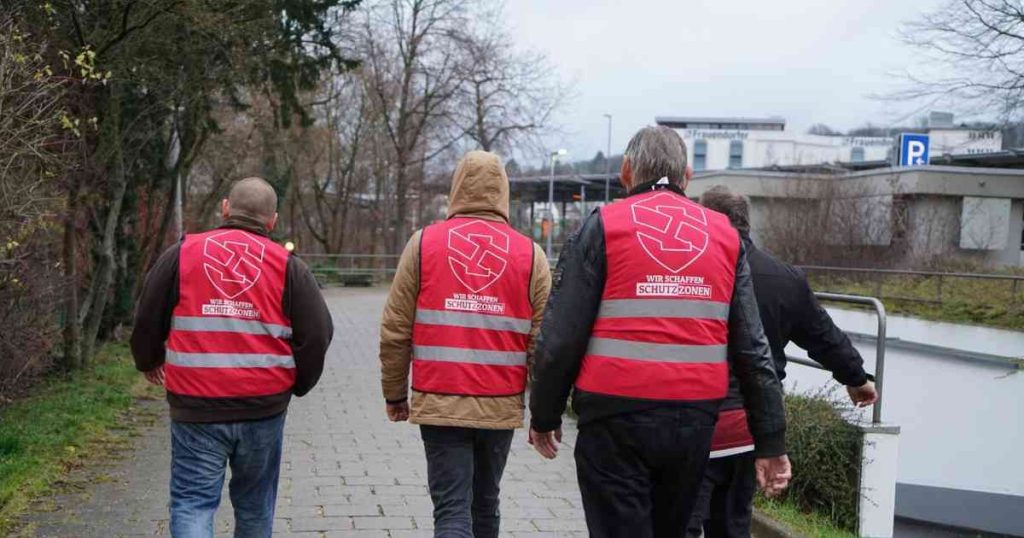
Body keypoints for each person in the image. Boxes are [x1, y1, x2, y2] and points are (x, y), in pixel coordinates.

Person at [528, 126, 791, 538]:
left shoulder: (603, 226)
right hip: (695, 421)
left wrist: (544, 414)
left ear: (627, 171)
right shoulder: (725, 236)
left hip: (614, 420)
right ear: (686, 176)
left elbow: (561, 335)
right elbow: (753, 349)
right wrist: (771, 440)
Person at [131, 177, 333, 538]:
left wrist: (148, 360)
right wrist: (298, 383)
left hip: (196, 405)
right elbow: (317, 333)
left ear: (225, 208)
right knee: (255, 506)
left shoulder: (182, 253)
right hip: (263, 407)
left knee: (193, 503)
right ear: (272, 220)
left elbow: (148, 313)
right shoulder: (288, 266)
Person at [685, 185, 879, 538]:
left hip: (697, 421)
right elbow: (823, 335)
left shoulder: (690, 271)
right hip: (751, 426)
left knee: (682, 521)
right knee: (732, 525)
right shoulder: (784, 278)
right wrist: (857, 377)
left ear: (707, 219)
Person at [379, 151, 551, 538]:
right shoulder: (531, 255)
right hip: (500, 403)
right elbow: (543, 345)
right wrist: (543, 415)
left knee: (452, 510)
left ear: (457, 187)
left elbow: (394, 329)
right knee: (485, 504)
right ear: (503, 192)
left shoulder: (423, 245)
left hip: (439, 400)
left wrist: (394, 394)